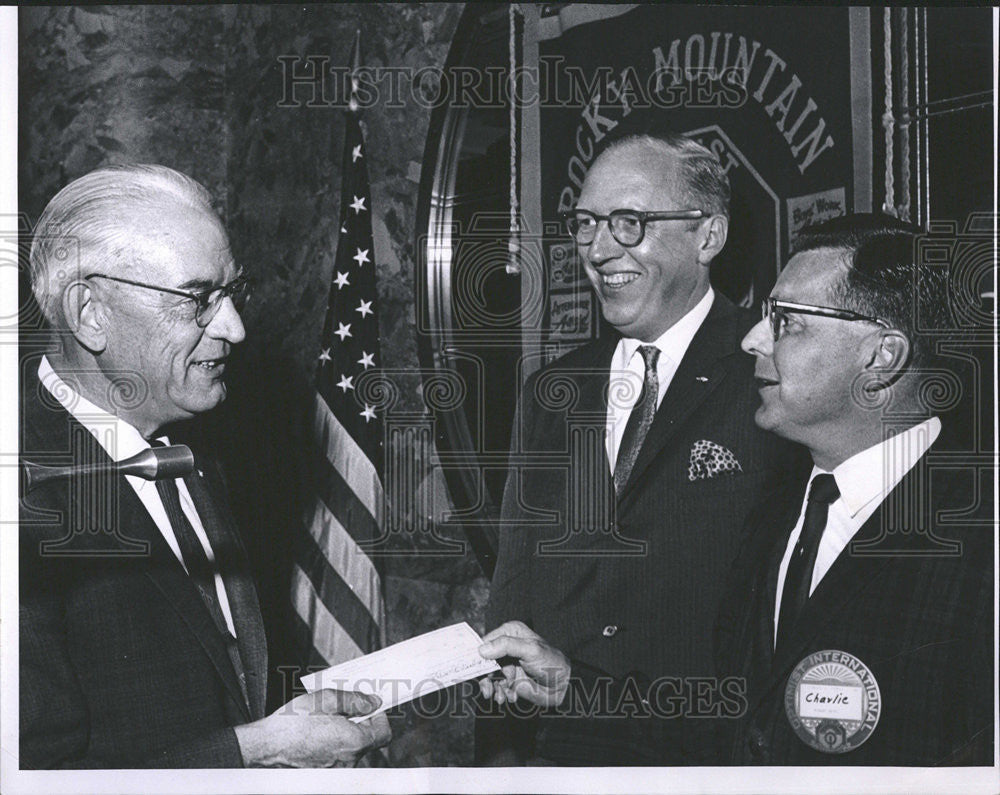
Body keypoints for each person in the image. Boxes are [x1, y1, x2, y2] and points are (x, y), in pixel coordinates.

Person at [480, 214, 993, 766]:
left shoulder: (979, 538)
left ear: (881, 357)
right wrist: (571, 686)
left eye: (788, 321)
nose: (752, 338)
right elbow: (737, 725)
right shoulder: (775, 509)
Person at [20, 164, 390, 768]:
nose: (234, 328)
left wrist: (277, 727)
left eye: (230, 294)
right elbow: (39, 778)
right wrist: (257, 751)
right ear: (90, 312)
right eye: (198, 299)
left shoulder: (201, 441)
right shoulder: (23, 487)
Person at [482, 133, 794, 765]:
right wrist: (500, 761)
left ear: (708, 236)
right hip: (555, 762)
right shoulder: (551, 393)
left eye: (630, 223)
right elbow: (512, 599)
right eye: (587, 224)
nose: (599, 250)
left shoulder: (771, 374)